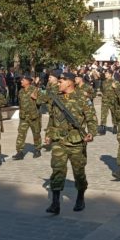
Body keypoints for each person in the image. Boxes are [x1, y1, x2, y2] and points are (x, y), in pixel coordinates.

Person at [44, 72, 98, 214]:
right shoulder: (56, 99)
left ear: (69, 83)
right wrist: (48, 134)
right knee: (57, 170)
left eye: (61, 81)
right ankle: (55, 203)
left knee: (78, 172)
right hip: (59, 141)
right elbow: (52, 118)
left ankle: (80, 197)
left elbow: (92, 118)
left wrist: (91, 132)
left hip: (76, 142)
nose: (58, 83)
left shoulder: (82, 98)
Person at [13, 74, 43, 160]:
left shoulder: (35, 90)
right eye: (21, 80)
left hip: (33, 116)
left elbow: (41, 102)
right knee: (21, 134)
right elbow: (20, 103)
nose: (21, 81)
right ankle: (19, 152)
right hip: (24, 117)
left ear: (28, 81)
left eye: (23, 80)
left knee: (36, 133)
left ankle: (37, 149)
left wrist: (36, 98)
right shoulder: (21, 91)